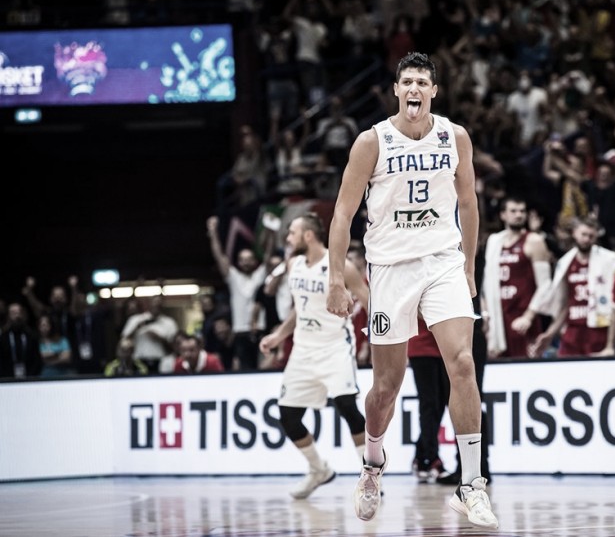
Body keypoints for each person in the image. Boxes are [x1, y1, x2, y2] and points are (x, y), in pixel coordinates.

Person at [325, 52, 498, 529]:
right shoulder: (371, 141)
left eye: (423, 81)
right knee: (386, 386)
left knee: (462, 362)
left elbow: (468, 202)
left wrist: (468, 266)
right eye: (408, 82)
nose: (415, 88)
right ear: (397, 91)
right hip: (391, 268)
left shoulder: (454, 136)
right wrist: (336, 278)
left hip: (442, 261)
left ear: (434, 91)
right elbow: (341, 214)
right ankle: (373, 465)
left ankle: (472, 484)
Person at [259, 213, 370, 500]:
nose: (288, 238)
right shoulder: (293, 264)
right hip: (303, 350)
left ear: (308, 235)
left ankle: (370, 476)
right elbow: (300, 309)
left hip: (334, 347)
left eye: (292, 233)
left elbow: (367, 298)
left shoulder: (340, 266)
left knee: (347, 406)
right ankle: (318, 469)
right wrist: (278, 335)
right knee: (288, 415)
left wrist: (381, 337)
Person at [530, 216, 615, 358]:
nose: (587, 239)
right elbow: (565, 305)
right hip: (573, 331)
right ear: (574, 233)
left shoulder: (610, 259)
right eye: (583, 235)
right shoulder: (565, 262)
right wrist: (550, 334)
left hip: (599, 330)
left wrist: (612, 342)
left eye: (591, 236)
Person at [482, 196, 552, 359]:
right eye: (513, 211)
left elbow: (545, 284)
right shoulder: (494, 242)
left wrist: (528, 316)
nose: (519, 215)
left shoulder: (534, 241)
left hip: (523, 317)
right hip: (498, 318)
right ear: (503, 215)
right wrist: (486, 315)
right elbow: (486, 284)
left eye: (522, 211)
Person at [207, 215, 272, 370]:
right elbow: (219, 256)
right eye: (242, 259)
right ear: (238, 262)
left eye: (249, 258)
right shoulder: (234, 278)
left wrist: (271, 231)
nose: (246, 262)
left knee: (264, 368)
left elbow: (269, 255)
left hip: (260, 331)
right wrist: (213, 233)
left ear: (255, 261)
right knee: (245, 370)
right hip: (240, 332)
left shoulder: (260, 275)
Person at [408, 318, 450, 483]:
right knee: (429, 405)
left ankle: (421, 457)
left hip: (443, 346)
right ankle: (432, 459)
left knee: (438, 405)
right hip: (421, 346)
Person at [119, 296, 179, 374]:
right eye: (154, 304)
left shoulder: (169, 323)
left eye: (158, 305)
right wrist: (137, 328)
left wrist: (160, 338)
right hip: (138, 360)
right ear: (148, 304)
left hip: (161, 361)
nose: (156, 307)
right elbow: (124, 341)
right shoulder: (136, 320)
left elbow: (175, 347)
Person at [0, 303, 42, 379]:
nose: (17, 316)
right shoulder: (3, 337)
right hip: (7, 378)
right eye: (13, 313)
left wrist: (31, 376)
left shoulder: (31, 336)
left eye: (19, 312)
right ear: (8, 316)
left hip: (30, 377)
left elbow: (36, 359)